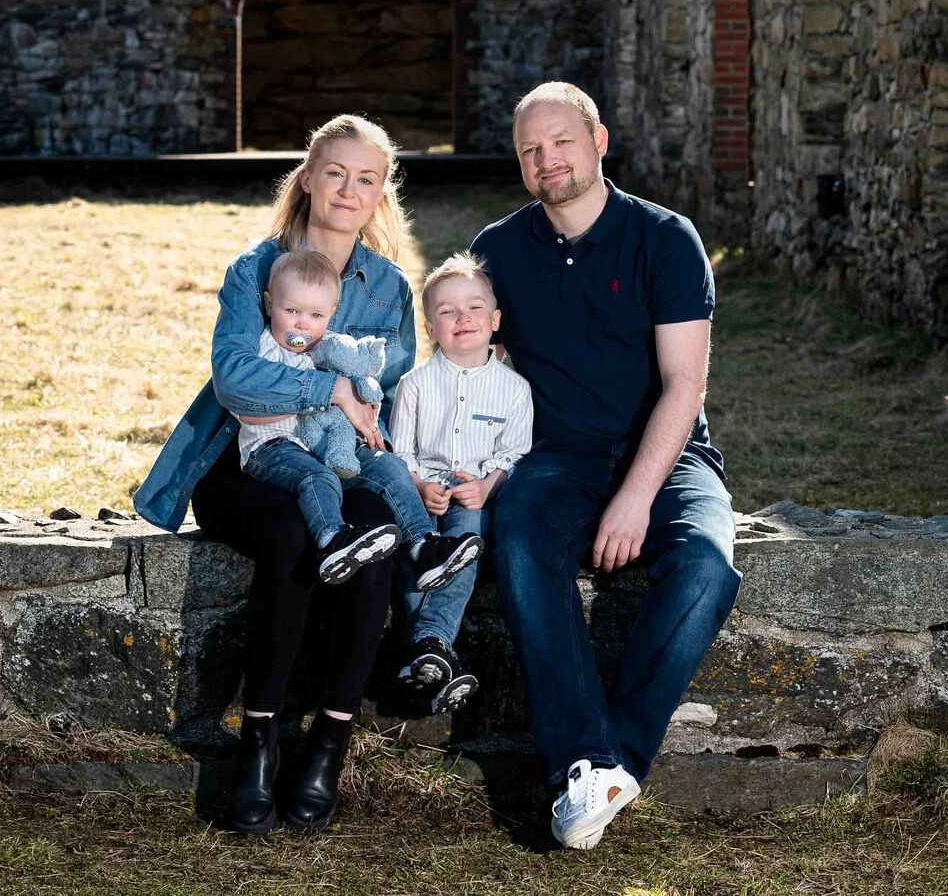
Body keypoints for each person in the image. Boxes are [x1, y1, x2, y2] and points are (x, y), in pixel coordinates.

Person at [134, 115, 419, 836]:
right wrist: (331, 390)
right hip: (246, 462)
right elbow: (235, 377)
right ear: (309, 178)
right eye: (335, 173)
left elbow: (394, 394)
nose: (348, 189)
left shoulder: (389, 288)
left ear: (380, 193)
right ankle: (257, 741)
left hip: (338, 465)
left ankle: (329, 741)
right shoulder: (255, 269)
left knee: (375, 537)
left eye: (366, 178)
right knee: (292, 532)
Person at [474, 81, 741, 851]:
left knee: (706, 567)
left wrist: (635, 495)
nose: (546, 159)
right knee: (520, 540)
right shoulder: (498, 249)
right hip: (555, 456)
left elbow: (685, 386)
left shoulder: (666, 237)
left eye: (561, 141)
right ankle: (589, 764)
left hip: (667, 450)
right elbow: (473, 369)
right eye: (530, 148)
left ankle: (603, 763)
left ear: (598, 141)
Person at [236, 248, 481, 591]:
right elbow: (247, 406)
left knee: (388, 466)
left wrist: (363, 395)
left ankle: (424, 545)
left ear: (331, 314)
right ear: (268, 304)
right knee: (318, 476)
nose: (302, 323)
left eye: (316, 315)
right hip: (273, 447)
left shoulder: (327, 347)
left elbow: (359, 379)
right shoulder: (263, 350)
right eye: (291, 311)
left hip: (327, 445)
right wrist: (318, 398)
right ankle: (332, 539)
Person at [389, 251, 533, 716]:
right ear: (431, 328)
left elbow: (516, 453)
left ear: (495, 321)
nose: (463, 318)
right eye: (447, 311)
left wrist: (488, 486)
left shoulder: (514, 389)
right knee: (414, 553)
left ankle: (427, 645)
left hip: (474, 496)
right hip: (423, 495)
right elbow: (399, 451)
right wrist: (417, 485)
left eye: (474, 308)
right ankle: (433, 652)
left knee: (465, 542)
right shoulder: (415, 385)